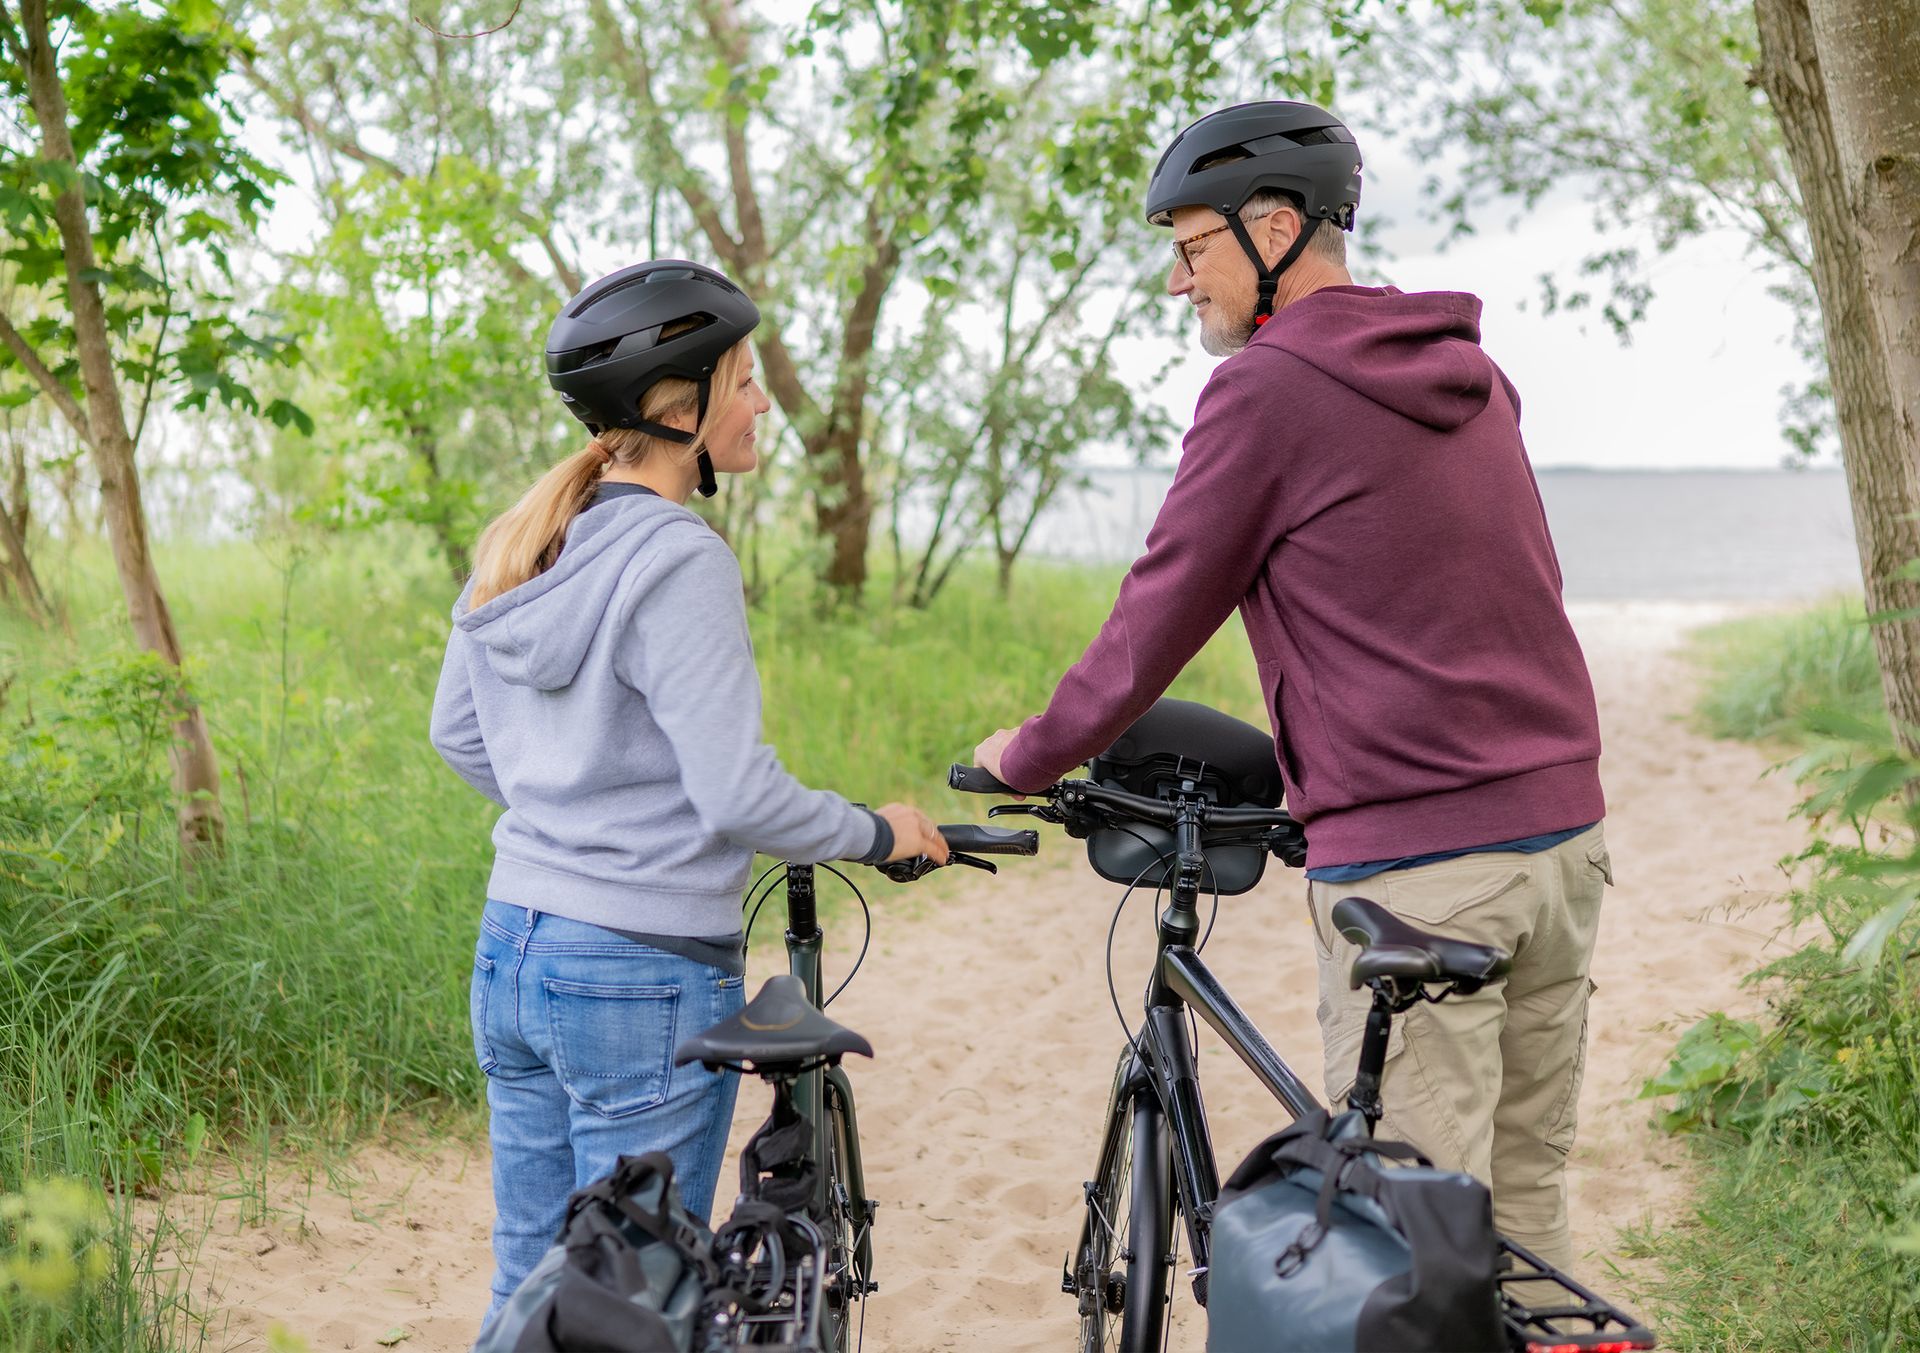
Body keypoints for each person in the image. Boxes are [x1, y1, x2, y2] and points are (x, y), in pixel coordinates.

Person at [972, 102, 1609, 1275]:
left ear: (1274, 229)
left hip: (1423, 872)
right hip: (1565, 845)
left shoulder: (1265, 391)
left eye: (1192, 247)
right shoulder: (1473, 373)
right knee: (1523, 1216)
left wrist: (1028, 753)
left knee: (1411, 1244)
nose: (1178, 281)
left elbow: (1155, 617)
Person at [429, 259, 948, 1328]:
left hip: (512, 947)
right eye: (745, 380)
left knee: (530, 1286)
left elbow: (459, 734)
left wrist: (572, 814)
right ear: (680, 410)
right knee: (640, 1303)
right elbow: (735, 795)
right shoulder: (680, 556)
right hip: (638, 971)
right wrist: (876, 831)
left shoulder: (523, 542)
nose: (762, 403)